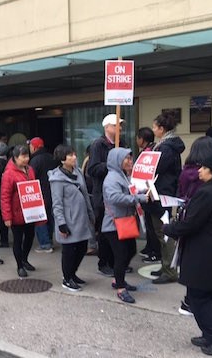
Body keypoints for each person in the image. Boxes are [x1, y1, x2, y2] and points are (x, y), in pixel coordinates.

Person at [162, 154, 212, 356]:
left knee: (197, 295)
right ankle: (211, 333)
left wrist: (169, 228)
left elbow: (191, 223)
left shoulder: (207, 193)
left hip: (204, 251)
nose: (199, 171)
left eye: (203, 168)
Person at [174, 136, 212, 315]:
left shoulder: (185, 171)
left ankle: (189, 300)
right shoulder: (207, 176)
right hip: (202, 220)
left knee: (191, 261)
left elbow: (181, 192)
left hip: (186, 215)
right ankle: (194, 302)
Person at [102, 148, 148, 303]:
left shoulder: (123, 176)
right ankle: (121, 288)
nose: (130, 161)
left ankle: (118, 280)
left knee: (130, 251)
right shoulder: (111, 178)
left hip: (124, 222)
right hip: (114, 224)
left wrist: (142, 192)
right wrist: (139, 198)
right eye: (126, 158)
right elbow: (115, 198)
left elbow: (130, 192)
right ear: (117, 160)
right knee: (121, 255)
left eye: (130, 158)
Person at [49, 144, 95, 292]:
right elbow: (57, 204)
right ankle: (67, 278)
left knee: (82, 248)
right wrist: (61, 223)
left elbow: (85, 195)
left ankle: (72, 274)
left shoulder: (78, 172)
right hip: (69, 221)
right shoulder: (56, 179)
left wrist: (90, 214)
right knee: (69, 251)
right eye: (70, 155)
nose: (74, 157)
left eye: (74, 154)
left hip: (81, 219)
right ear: (62, 159)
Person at [150, 111, 185, 284]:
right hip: (162, 191)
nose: (153, 129)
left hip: (162, 193)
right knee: (160, 230)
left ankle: (170, 270)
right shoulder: (165, 145)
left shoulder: (166, 147)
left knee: (164, 231)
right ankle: (165, 266)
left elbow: (156, 169)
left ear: (162, 129)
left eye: (155, 127)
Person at [87, 114, 125, 276]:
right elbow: (93, 169)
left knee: (118, 231)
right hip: (103, 195)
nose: (120, 129)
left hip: (118, 192)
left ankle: (117, 262)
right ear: (107, 127)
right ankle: (104, 263)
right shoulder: (98, 145)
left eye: (121, 126)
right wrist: (111, 165)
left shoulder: (121, 144)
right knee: (105, 232)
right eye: (117, 125)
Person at [1, 144, 38, 278]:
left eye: (27, 156)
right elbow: (5, 196)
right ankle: (19, 266)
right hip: (16, 213)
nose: (26, 159)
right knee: (18, 240)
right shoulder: (9, 174)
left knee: (30, 237)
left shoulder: (30, 169)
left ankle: (25, 259)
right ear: (15, 158)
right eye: (23, 157)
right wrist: (7, 217)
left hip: (30, 212)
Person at [28, 137, 57, 253]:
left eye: (30, 147)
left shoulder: (35, 161)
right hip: (52, 192)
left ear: (34, 147)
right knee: (49, 218)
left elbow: (30, 177)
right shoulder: (51, 158)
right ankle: (49, 240)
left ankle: (45, 243)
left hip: (39, 194)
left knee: (40, 219)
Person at [136, 127, 159, 261]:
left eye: (138, 138)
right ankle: (150, 247)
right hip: (146, 191)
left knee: (152, 224)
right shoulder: (151, 150)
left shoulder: (149, 153)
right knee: (148, 222)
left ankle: (155, 251)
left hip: (149, 191)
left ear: (142, 139)